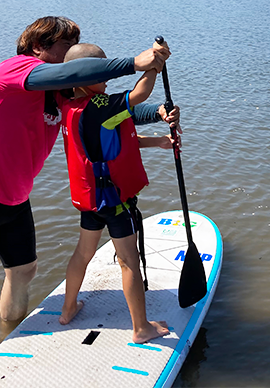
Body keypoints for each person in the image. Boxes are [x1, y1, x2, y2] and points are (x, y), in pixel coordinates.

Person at [0, 16, 178, 367]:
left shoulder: (62, 97)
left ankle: (8, 339)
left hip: (15, 195)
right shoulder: (13, 71)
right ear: (38, 47)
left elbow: (107, 111)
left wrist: (155, 112)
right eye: (65, 46)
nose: (71, 60)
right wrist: (134, 64)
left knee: (23, 271)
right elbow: (79, 81)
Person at [58, 43, 175, 343]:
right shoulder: (99, 107)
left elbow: (110, 145)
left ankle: (68, 309)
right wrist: (153, 66)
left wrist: (158, 141)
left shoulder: (70, 105)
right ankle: (140, 328)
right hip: (114, 201)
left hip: (91, 199)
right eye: (101, 71)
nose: (107, 78)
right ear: (83, 76)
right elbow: (139, 96)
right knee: (128, 261)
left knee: (83, 253)